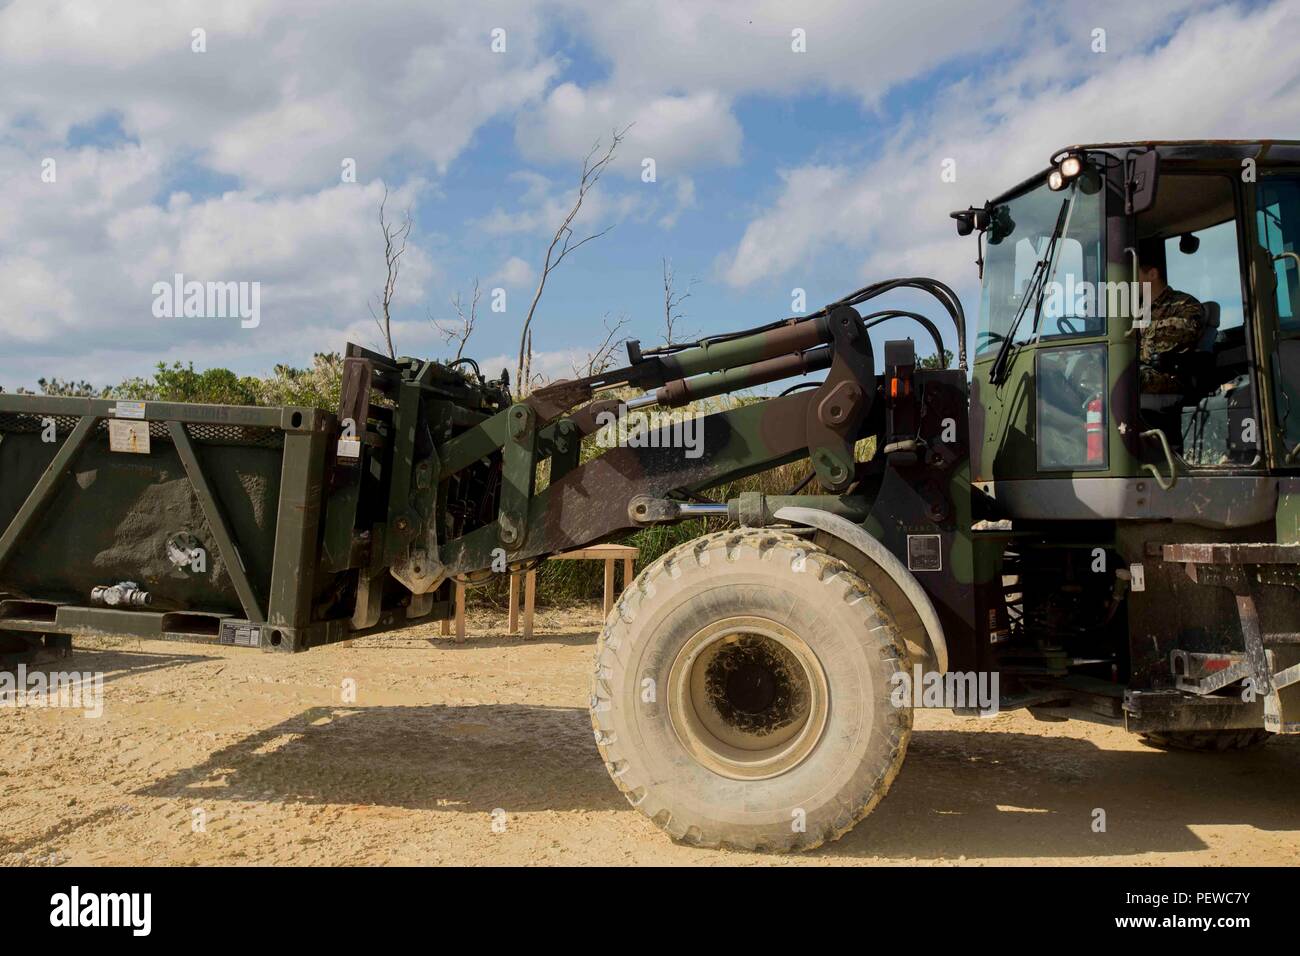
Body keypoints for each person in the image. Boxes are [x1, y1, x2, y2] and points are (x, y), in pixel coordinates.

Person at [1137, 237, 1207, 395]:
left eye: (1134, 275)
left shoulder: (1185, 304)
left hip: (1170, 377)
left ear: (1152, 274)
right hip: (1142, 372)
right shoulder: (1137, 312)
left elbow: (1183, 335)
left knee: (1125, 381)